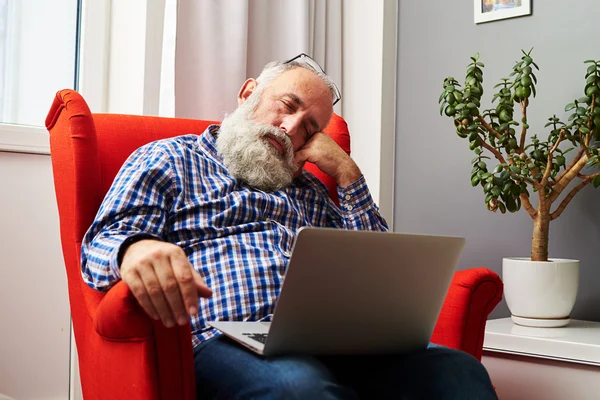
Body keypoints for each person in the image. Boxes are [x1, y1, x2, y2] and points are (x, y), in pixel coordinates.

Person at [81, 53, 498, 399]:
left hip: (329, 340)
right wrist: (136, 250)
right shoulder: (170, 158)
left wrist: (347, 174)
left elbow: (381, 276)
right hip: (223, 338)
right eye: (289, 105)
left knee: (459, 375)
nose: (291, 128)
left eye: (311, 128)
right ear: (249, 94)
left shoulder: (310, 189)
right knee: (300, 390)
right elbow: (100, 243)